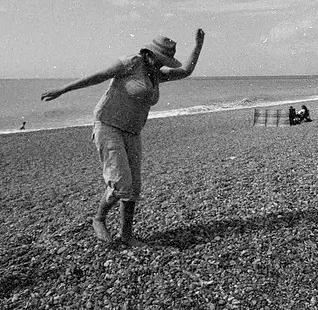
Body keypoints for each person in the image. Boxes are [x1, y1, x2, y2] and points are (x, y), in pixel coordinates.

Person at [41, 29, 205, 246]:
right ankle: (99, 219)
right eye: (161, 59)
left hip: (132, 131)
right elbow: (98, 76)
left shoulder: (156, 74)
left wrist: (198, 45)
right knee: (121, 183)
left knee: (134, 188)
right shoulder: (131, 63)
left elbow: (185, 71)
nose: (162, 64)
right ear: (150, 54)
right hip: (108, 125)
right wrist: (63, 89)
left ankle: (127, 235)